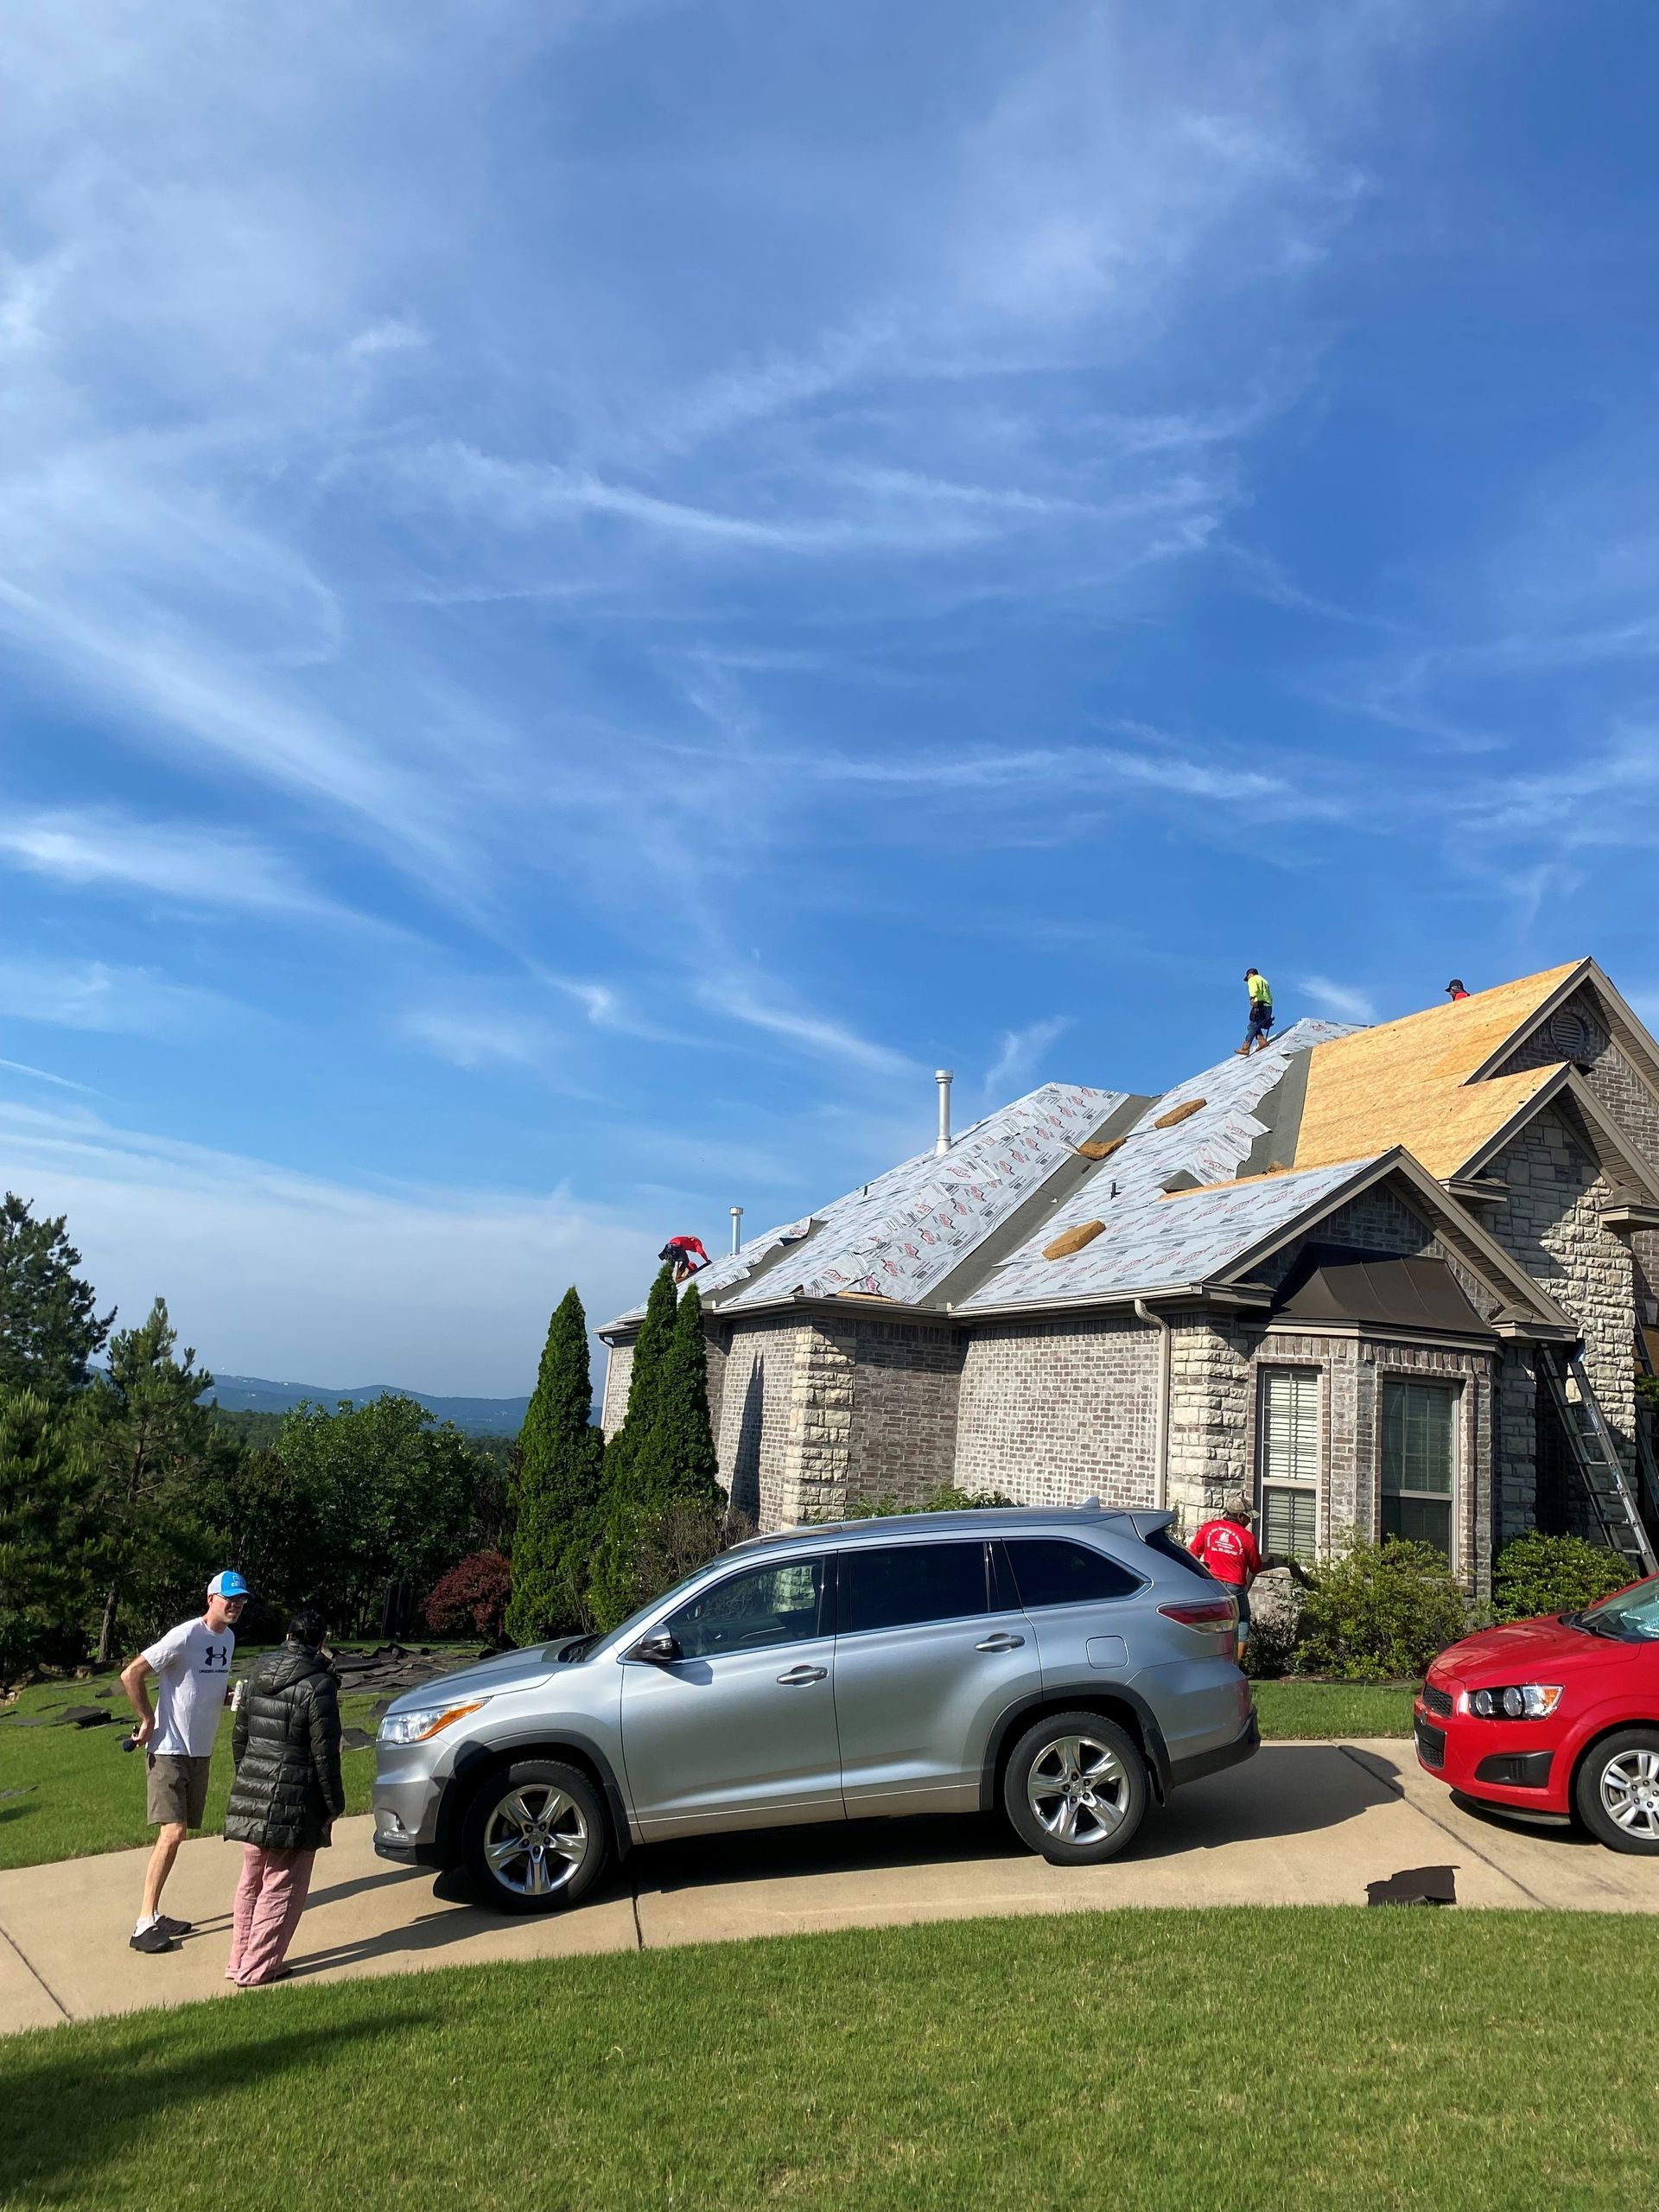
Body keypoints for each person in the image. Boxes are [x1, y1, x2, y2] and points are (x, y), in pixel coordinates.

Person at [120, 1569, 248, 1955]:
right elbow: (132, 1674)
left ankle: (156, 1914)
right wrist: (148, 1720)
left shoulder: (228, 1639)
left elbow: (205, 1684)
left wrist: (228, 1698)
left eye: (241, 1598)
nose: (237, 1604)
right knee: (172, 1833)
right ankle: (143, 1924)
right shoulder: (185, 1634)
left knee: (178, 1835)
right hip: (170, 1750)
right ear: (211, 1599)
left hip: (200, 1750)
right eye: (230, 1598)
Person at [223, 1606, 345, 1989]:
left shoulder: (254, 1674)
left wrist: (247, 1778)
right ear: (321, 1642)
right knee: (282, 1884)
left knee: (251, 1880)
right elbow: (326, 1754)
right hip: (295, 1797)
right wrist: (333, 1804)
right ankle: (258, 1969)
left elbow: (239, 1738)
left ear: (288, 1636)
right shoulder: (319, 1684)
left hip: (252, 1790)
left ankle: (238, 1960)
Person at [1238, 969, 1274, 1055]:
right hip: (1268, 1006)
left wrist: (1252, 998)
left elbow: (1253, 989)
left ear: (1250, 974)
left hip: (1260, 1005)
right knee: (1256, 1025)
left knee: (1252, 1026)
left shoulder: (1253, 979)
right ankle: (1261, 1041)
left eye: (1248, 977)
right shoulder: (1264, 981)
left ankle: (1246, 1048)